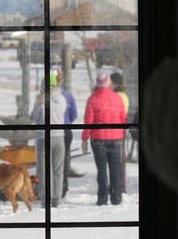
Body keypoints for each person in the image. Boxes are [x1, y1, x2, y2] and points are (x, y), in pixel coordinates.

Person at [81, 71, 127, 206]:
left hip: (98, 139)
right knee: (115, 169)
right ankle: (116, 197)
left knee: (101, 170)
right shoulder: (118, 98)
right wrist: (122, 134)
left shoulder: (93, 99)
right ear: (108, 83)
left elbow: (88, 121)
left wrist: (84, 139)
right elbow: (123, 118)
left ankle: (102, 198)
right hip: (116, 139)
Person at [31, 73, 66, 208]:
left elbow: (34, 117)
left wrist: (38, 102)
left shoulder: (41, 101)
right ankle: (56, 199)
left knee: (44, 171)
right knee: (58, 170)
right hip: (59, 138)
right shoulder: (61, 99)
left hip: (43, 138)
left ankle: (46, 200)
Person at [54, 68, 81, 199]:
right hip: (66, 129)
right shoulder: (68, 95)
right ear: (62, 80)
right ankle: (63, 186)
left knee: (50, 160)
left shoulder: (45, 95)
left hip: (52, 130)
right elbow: (74, 114)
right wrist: (68, 121)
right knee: (64, 159)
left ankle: (52, 186)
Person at [110, 72, 129, 193]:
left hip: (118, 130)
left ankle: (120, 186)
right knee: (119, 158)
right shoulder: (122, 95)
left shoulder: (119, 96)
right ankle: (119, 184)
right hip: (118, 129)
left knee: (119, 158)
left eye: (111, 82)